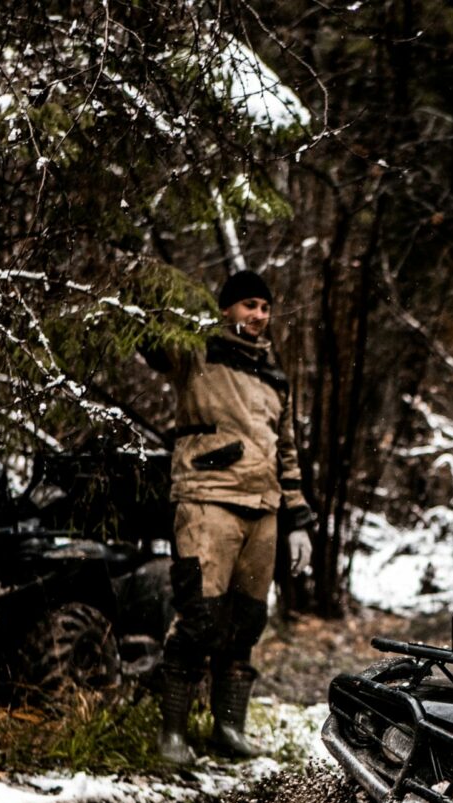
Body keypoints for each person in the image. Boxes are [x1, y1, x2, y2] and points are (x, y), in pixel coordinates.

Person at [142, 269, 315, 764]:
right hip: (207, 501)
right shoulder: (196, 352)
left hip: (264, 512)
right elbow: (152, 342)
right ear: (226, 310)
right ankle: (172, 735)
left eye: (264, 307)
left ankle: (228, 729)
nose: (259, 316)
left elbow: (287, 452)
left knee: (245, 624)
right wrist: (152, 289)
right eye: (248, 306)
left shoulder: (274, 377)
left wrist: (299, 521)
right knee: (199, 617)